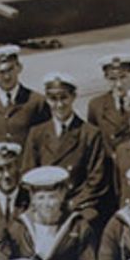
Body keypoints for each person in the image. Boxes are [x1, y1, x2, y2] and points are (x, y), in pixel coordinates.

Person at [19, 74, 110, 227]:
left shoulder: (90, 133)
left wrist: (72, 203)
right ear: (47, 100)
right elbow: (28, 173)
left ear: (73, 97)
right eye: (53, 99)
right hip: (44, 204)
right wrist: (42, 201)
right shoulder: (37, 133)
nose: (59, 104)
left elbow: (96, 179)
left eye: (64, 97)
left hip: (77, 204)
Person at [0, 167, 88, 260]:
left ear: (62, 195)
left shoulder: (77, 227)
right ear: (32, 198)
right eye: (41, 198)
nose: (47, 204)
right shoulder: (19, 228)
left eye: (52, 197)